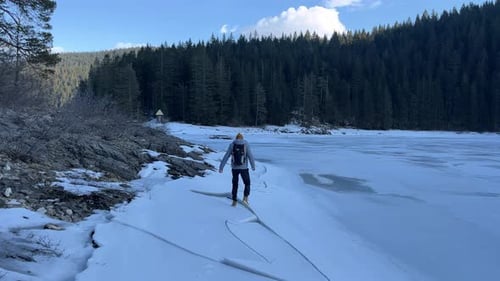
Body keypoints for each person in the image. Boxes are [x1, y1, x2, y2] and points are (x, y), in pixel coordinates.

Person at [219, 133, 255, 207]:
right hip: (244, 168)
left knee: (235, 184)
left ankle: (234, 201)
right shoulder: (246, 144)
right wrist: (253, 166)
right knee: (247, 183)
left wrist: (221, 167)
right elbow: (250, 155)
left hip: (234, 168)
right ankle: (245, 198)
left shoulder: (232, 144)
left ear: (236, 138)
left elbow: (226, 156)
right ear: (242, 138)